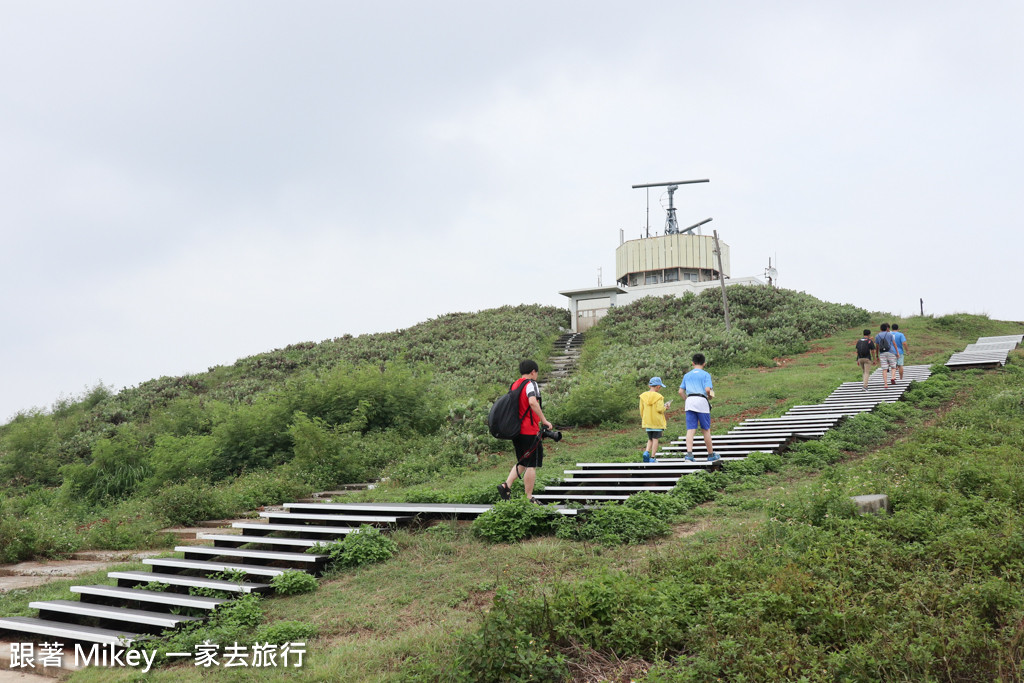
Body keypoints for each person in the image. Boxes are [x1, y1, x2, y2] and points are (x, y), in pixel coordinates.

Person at [496, 360, 553, 504]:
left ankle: (506, 485)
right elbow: (533, 402)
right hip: (530, 430)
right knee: (531, 465)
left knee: (523, 461)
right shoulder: (531, 384)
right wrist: (544, 420)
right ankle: (529, 497)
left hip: (516, 430)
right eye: (537, 373)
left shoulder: (515, 384)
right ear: (533, 371)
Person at [678, 353, 719, 462]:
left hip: (690, 401)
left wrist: (687, 399)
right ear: (704, 363)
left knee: (690, 430)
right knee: (706, 430)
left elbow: (680, 391)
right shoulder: (706, 375)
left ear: (692, 363)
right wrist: (710, 396)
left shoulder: (687, 375)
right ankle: (710, 454)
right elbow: (707, 390)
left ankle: (689, 455)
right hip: (701, 401)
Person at [639, 377, 672, 463]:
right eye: (660, 387)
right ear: (657, 387)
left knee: (650, 439)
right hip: (657, 422)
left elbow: (641, 410)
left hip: (648, 422)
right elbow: (660, 409)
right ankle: (653, 457)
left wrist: (644, 419)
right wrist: (666, 407)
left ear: (649, 385)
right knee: (655, 439)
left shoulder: (643, 396)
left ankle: (646, 452)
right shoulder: (659, 397)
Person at [875, 323, 898, 387]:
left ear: (880, 329)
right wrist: (897, 352)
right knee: (893, 366)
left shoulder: (877, 336)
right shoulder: (890, 334)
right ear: (887, 328)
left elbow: (877, 346)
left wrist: (877, 355)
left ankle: (885, 384)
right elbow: (894, 343)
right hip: (890, 352)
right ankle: (892, 377)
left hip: (882, 353)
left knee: (884, 369)